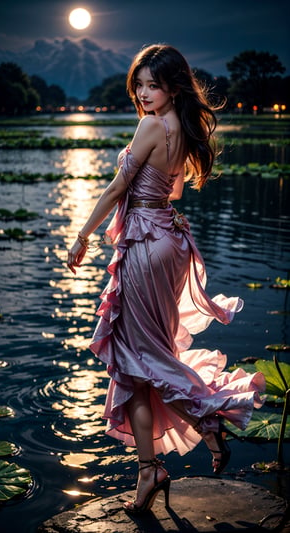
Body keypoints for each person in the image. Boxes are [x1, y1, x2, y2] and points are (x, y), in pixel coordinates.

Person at [67, 44, 265, 514]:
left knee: (141, 355)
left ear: (173, 86)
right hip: (168, 238)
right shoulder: (182, 127)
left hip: (146, 247)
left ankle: (208, 415)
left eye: (152, 84)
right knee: (140, 360)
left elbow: (118, 189)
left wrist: (82, 235)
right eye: (139, 84)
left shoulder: (151, 125)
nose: (143, 92)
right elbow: (172, 188)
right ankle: (150, 469)